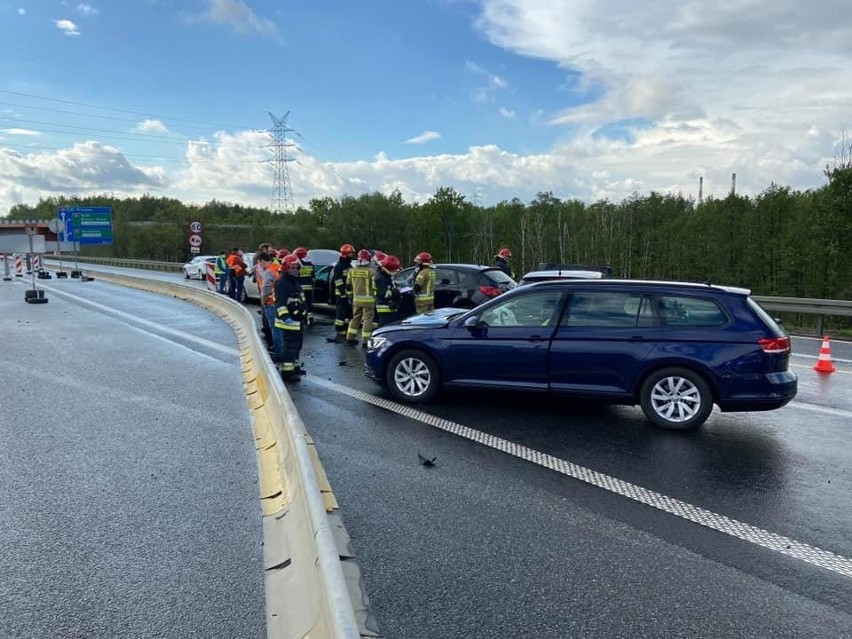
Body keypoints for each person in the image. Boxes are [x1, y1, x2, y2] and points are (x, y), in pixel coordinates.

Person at [274, 255, 307, 381]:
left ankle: (295, 366)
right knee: (290, 346)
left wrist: (306, 314)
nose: (295, 270)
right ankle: (287, 373)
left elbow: (301, 299)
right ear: (286, 268)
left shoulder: (294, 281)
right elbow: (280, 303)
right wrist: (286, 317)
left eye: (296, 267)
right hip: (288, 321)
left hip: (297, 318)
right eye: (292, 267)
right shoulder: (282, 283)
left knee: (297, 345)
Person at [256, 252, 284, 363]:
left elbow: (266, 289)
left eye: (259, 263)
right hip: (280, 303)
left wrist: (263, 301)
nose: (260, 266)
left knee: (275, 330)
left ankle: (278, 354)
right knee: (282, 329)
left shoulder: (268, 272)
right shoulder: (278, 268)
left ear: (262, 260)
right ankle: (283, 352)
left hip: (271, 303)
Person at [345, 249, 376, 346]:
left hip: (356, 300)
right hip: (368, 300)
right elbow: (375, 287)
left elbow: (348, 286)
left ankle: (350, 338)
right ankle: (366, 341)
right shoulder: (371, 272)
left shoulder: (351, 271)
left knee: (355, 318)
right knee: (367, 319)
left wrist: (350, 297)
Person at [332, 243, 356, 341]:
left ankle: (346, 327)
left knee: (348, 312)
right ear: (345, 254)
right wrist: (342, 292)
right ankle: (339, 329)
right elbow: (338, 281)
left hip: (349, 293)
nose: (351, 256)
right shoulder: (339, 266)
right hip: (341, 293)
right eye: (350, 254)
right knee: (341, 312)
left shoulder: (349, 265)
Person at [374, 254, 401, 327]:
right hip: (385, 309)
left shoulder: (386, 276)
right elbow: (384, 294)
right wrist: (395, 292)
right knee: (386, 328)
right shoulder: (380, 278)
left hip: (389, 308)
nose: (395, 272)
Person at [292, 246, 315, 325]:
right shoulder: (310, 263)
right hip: (309, 288)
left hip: (300, 288)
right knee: (309, 303)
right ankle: (310, 319)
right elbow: (313, 277)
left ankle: (302, 318)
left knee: (301, 304)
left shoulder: (297, 265)